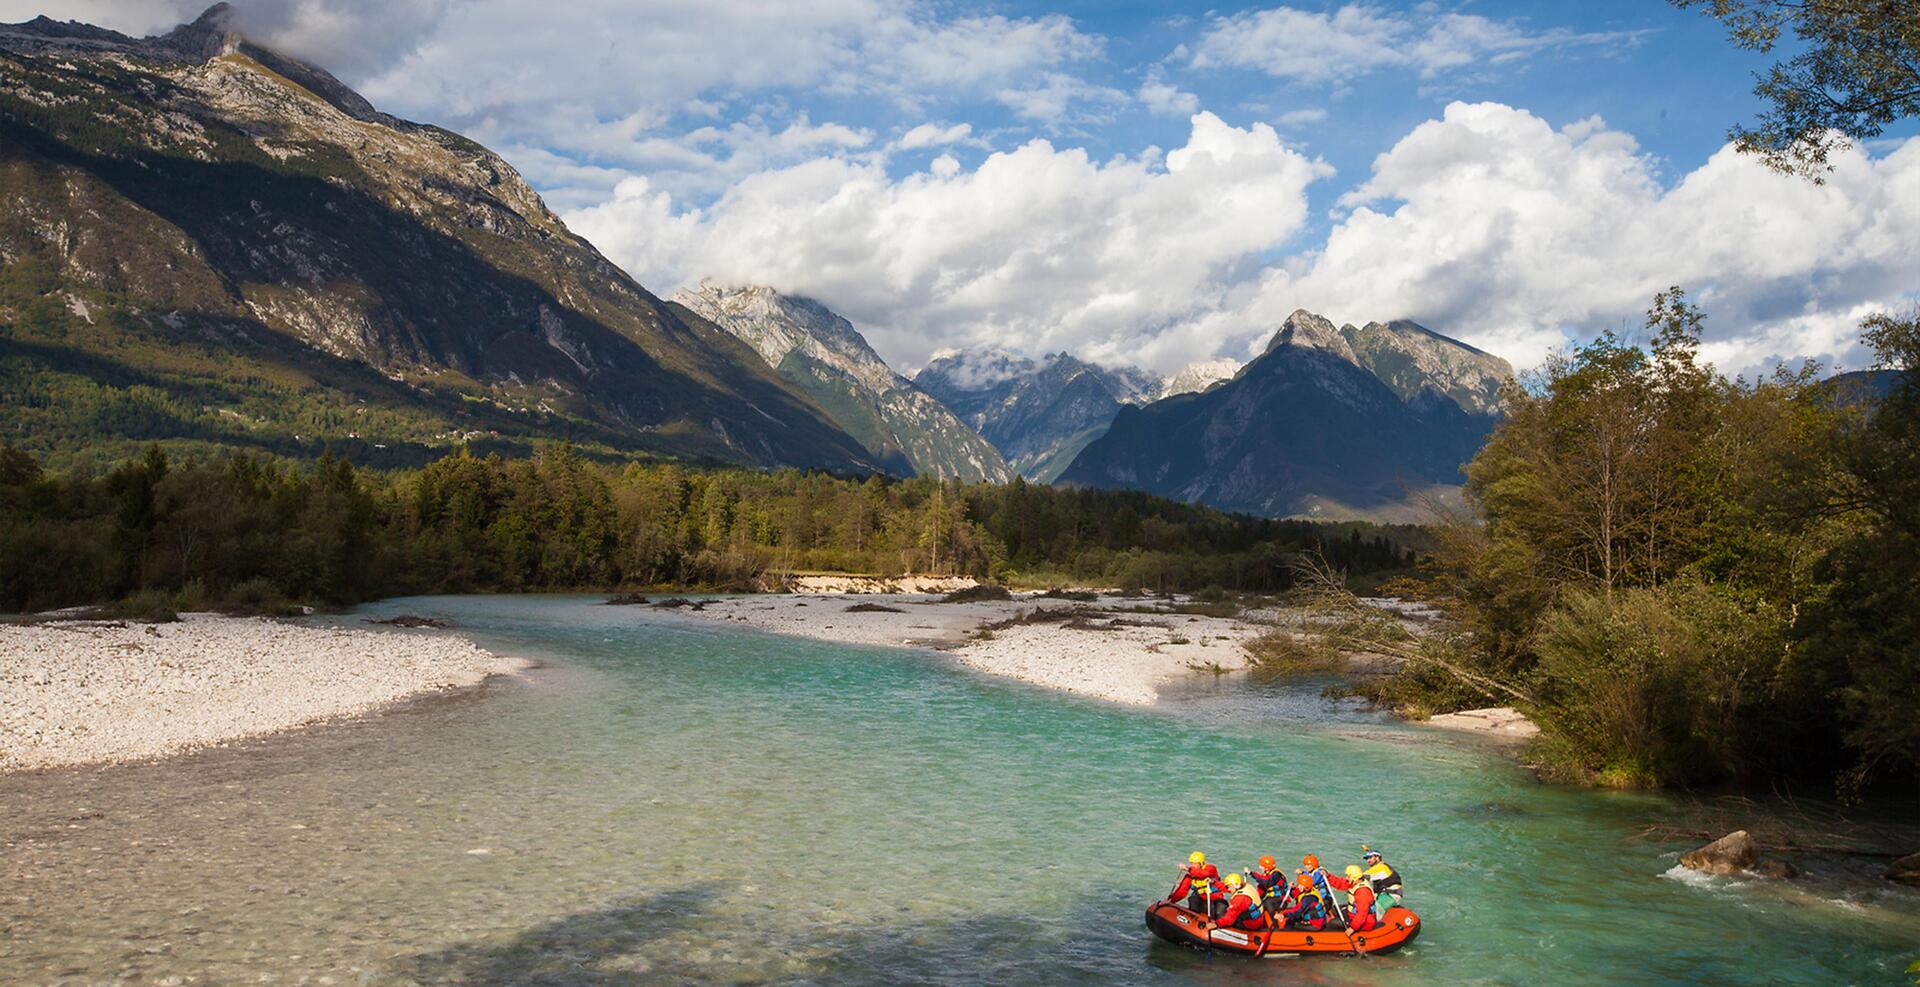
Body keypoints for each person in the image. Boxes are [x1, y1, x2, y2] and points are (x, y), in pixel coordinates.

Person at [1326, 865, 1381, 932]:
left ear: (1354, 877)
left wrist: (1353, 928)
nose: (1346, 878)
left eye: (1348, 876)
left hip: (1364, 923)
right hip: (1352, 914)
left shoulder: (1362, 892)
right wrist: (1328, 876)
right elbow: (1340, 883)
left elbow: (1362, 914)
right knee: (1333, 909)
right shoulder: (1355, 882)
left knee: (1333, 923)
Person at [1168, 851, 1224, 916]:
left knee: (1219, 911)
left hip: (1214, 897)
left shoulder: (1210, 868)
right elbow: (1181, 891)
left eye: (1195, 864)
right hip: (1199, 897)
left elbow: (1203, 874)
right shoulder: (1190, 876)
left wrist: (1188, 869)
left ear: (1201, 863)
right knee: (1192, 900)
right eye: (1192, 863)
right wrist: (1172, 900)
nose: (1192, 866)